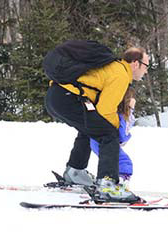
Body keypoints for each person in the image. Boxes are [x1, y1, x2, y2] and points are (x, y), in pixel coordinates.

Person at [45, 46, 149, 202]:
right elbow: (105, 111)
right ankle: (107, 186)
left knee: (91, 129)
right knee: (108, 133)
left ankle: (75, 171)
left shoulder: (113, 67)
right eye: (146, 66)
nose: (146, 71)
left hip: (57, 96)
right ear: (135, 63)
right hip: (68, 98)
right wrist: (117, 134)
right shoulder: (120, 73)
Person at [89, 87, 136, 189]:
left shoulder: (114, 113)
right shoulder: (121, 116)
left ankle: (109, 183)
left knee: (111, 161)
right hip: (103, 141)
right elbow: (122, 134)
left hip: (96, 140)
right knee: (124, 161)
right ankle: (118, 185)